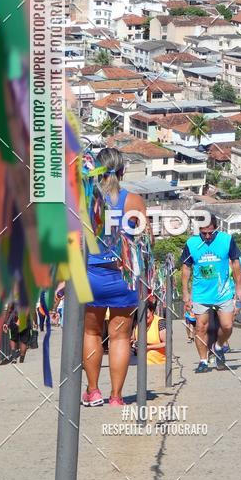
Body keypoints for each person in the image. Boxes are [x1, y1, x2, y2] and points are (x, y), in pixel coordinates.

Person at [82, 148, 149, 407]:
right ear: (122, 171)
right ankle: (117, 397)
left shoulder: (85, 201)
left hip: (91, 274)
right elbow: (143, 242)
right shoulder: (132, 200)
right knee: (121, 336)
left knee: (91, 332)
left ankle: (93, 390)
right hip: (123, 276)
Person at [181, 215, 241, 372]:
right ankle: (203, 361)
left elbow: (236, 263)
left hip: (223, 291)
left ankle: (218, 345)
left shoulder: (226, 240)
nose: (208, 236)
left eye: (211, 233)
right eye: (204, 233)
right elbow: (186, 268)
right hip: (201, 293)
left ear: (216, 228)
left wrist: (239, 287)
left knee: (227, 326)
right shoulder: (192, 243)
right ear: (199, 230)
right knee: (200, 328)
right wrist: (185, 292)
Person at [133, 299, 166, 365]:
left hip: (158, 364)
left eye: (146, 313)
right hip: (141, 364)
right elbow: (133, 339)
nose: (144, 316)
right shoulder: (137, 323)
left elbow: (167, 343)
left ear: (152, 311)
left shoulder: (160, 322)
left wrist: (148, 347)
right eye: (141, 314)